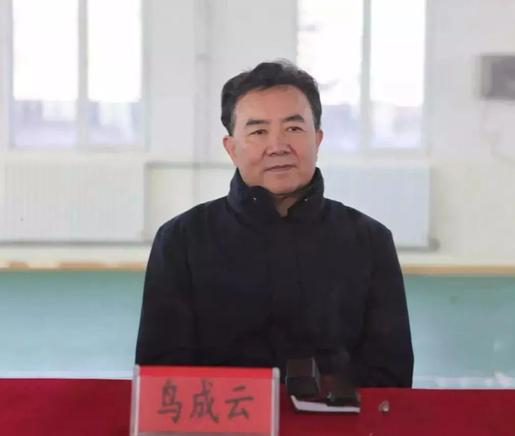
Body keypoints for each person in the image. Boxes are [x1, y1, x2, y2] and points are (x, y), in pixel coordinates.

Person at [135, 60, 414, 387]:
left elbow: (391, 376)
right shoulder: (182, 240)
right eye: (258, 131)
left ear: (318, 139)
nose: (278, 146)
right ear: (232, 148)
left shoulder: (369, 241)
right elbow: (161, 379)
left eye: (293, 129)